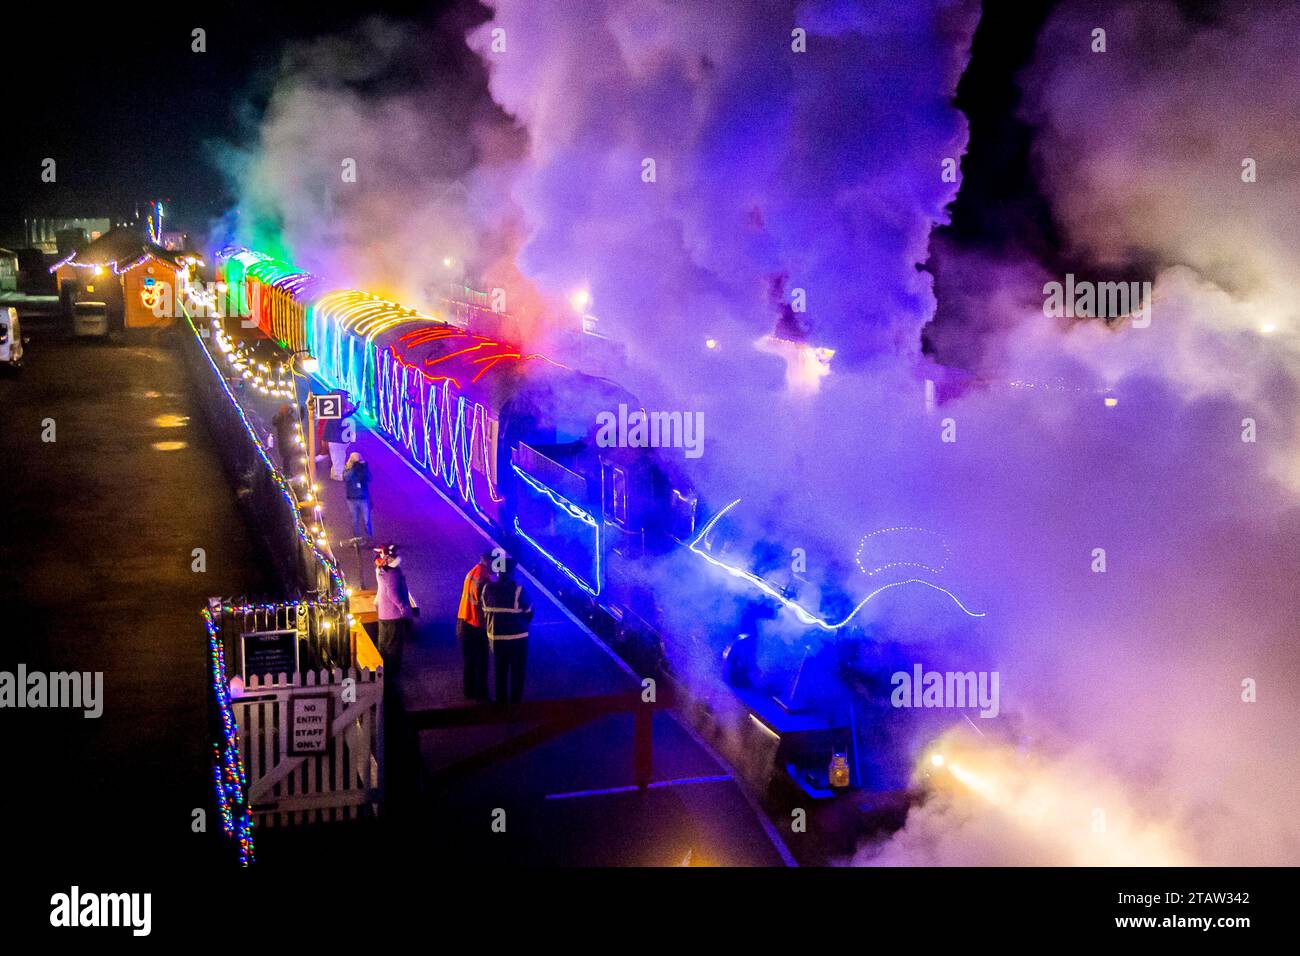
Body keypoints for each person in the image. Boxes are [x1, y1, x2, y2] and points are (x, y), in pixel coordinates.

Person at [479, 556, 533, 704]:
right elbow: (529, 611)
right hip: (518, 639)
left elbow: (483, 609)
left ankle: (501, 702)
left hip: (496, 639)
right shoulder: (519, 590)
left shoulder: (486, 589)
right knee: (517, 672)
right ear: (511, 573)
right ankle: (515, 703)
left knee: (500, 671)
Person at [374, 544, 418, 685]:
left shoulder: (381, 570)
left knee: (384, 642)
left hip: (383, 613)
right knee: (394, 645)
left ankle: (383, 669)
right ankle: (392, 673)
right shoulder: (393, 573)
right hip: (394, 615)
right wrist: (402, 607)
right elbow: (392, 594)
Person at [456, 550, 494, 700]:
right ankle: (482, 694)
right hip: (477, 625)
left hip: (464, 620)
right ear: (490, 562)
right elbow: (485, 604)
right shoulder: (485, 579)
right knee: (482, 661)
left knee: (469, 660)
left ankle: (469, 691)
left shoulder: (473, 572)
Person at [323, 394, 358, 480]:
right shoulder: (336, 417)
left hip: (336, 441)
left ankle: (335, 474)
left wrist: (354, 409)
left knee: (337, 459)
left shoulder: (335, 415)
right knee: (338, 459)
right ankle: (338, 476)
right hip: (337, 441)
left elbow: (328, 429)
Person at [344, 452, 372, 538]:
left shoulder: (362, 467)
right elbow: (346, 478)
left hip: (363, 497)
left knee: (367, 519)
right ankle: (357, 537)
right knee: (355, 519)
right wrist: (353, 468)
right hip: (352, 499)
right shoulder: (348, 468)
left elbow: (369, 478)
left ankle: (369, 537)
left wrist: (364, 467)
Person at [270, 403, 300, 474]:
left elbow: (293, 426)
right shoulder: (278, 417)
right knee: (285, 456)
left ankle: (287, 471)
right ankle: (285, 471)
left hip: (289, 439)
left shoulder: (290, 417)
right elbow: (275, 423)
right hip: (282, 440)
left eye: (285, 409)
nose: (284, 410)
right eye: (283, 408)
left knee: (288, 456)